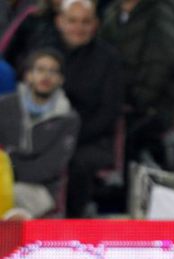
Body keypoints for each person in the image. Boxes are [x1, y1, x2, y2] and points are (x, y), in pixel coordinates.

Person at [52, 0, 122, 217]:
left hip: (91, 138)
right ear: (60, 22)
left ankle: (74, 222)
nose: (78, 27)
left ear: (95, 24)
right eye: (72, 21)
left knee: (77, 163)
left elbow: (109, 112)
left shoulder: (109, 58)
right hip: (48, 132)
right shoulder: (45, 53)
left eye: (85, 22)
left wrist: (71, 136)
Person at [99, 0, 174, 168]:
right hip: (120, 98)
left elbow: (163, 61)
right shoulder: (112, 12)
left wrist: (140, 99)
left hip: (153, 104)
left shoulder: (161, 10)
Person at [0, 48, 79, 217]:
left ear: (61, 79)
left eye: (53, 71)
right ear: (28, 75)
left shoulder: (68, 118)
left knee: (14, 207)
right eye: (40, 69)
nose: (46, 76)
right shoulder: (4, 106)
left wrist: (9, 171)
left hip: (41, 189)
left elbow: (51, 166)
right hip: (3, 181)